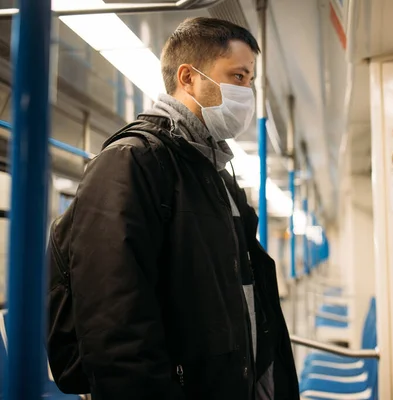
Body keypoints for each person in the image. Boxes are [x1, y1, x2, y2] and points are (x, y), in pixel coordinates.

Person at [65, 17, 298, 399]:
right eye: (239, 76)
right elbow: (114, 324)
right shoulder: (131, 163)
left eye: (250, 80)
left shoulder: (217, 177)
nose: (248, 91)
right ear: (189, 77)